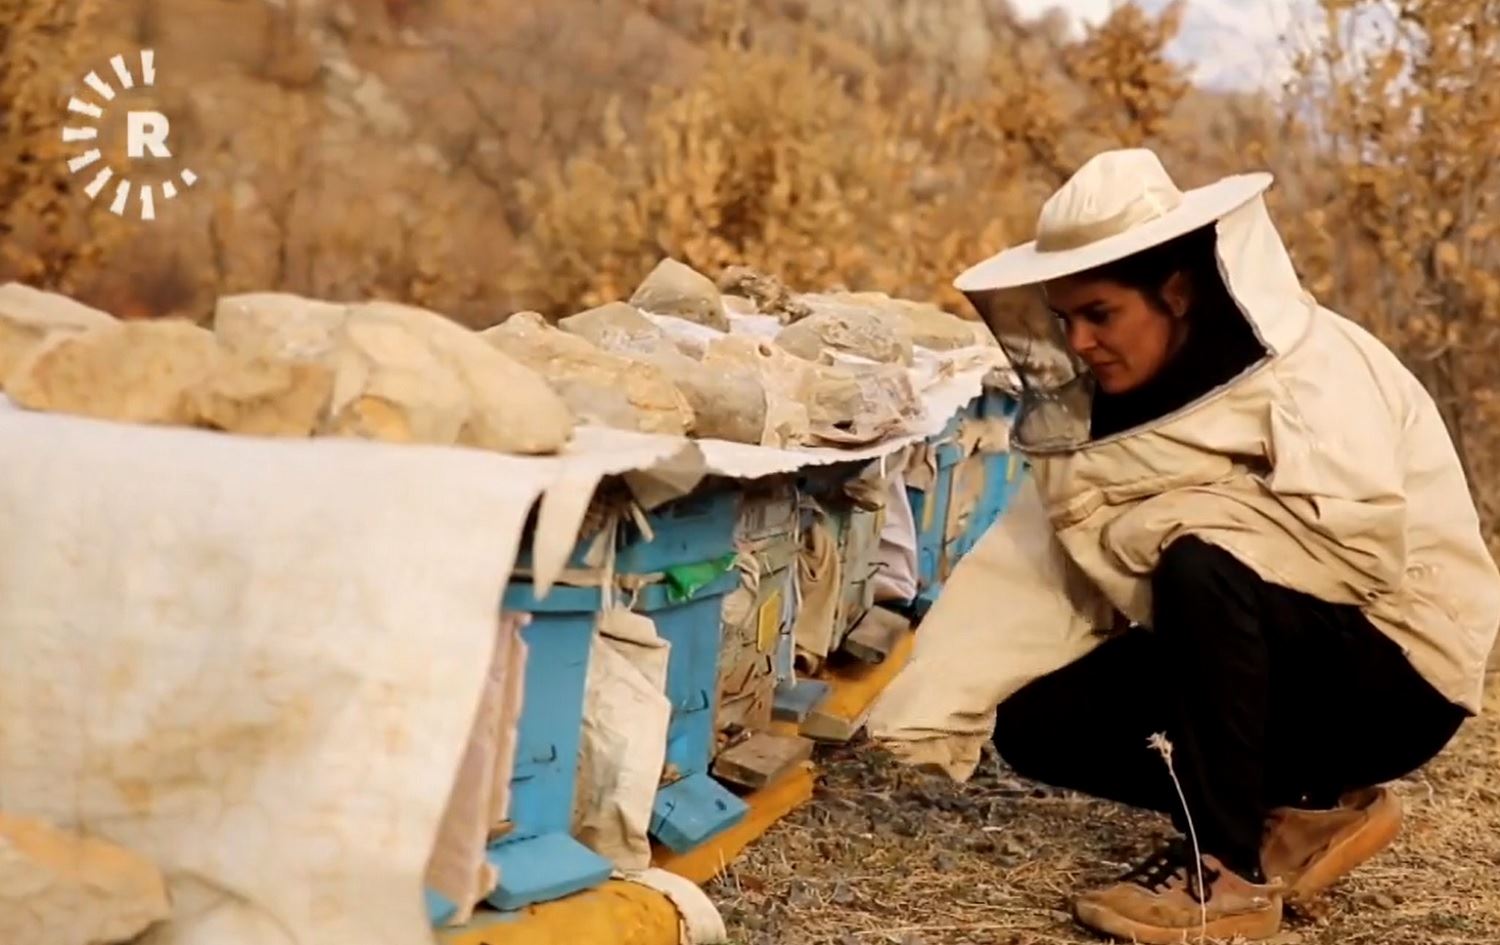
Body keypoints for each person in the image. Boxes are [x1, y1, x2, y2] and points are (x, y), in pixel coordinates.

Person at [866, 149, 1500, 944]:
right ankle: (1302, 813)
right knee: (1033, 716)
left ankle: (1226, 874)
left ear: (1173, 293)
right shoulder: (1103, 411)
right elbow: (1032, 567)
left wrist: (1163, 526)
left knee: (1198, 564)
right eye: (1065, 320)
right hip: (1274, 651)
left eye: (1101, 313)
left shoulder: (1315, 370)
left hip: (1400, 673)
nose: (1081, 340)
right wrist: (929, 709)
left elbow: (1361, 552)